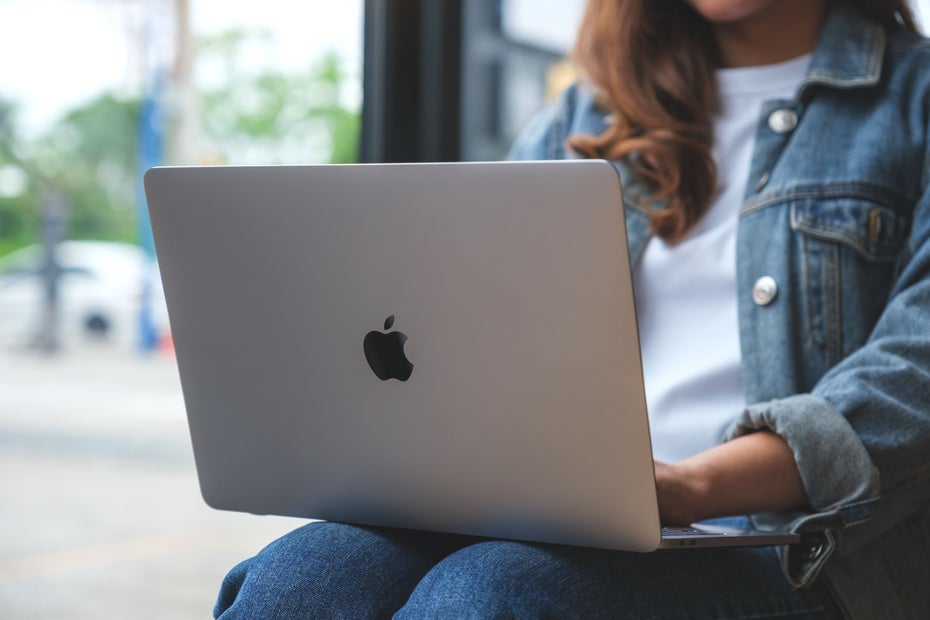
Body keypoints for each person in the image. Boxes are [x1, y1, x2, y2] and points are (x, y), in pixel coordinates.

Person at [214, 0, 930, 617]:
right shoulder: (588, 113)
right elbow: (469, 318)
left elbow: (915, 372)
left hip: (802, 549)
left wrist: (690, 486)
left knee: (491, 596)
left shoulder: (915, 100)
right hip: (566, 517)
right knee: (296, 582)